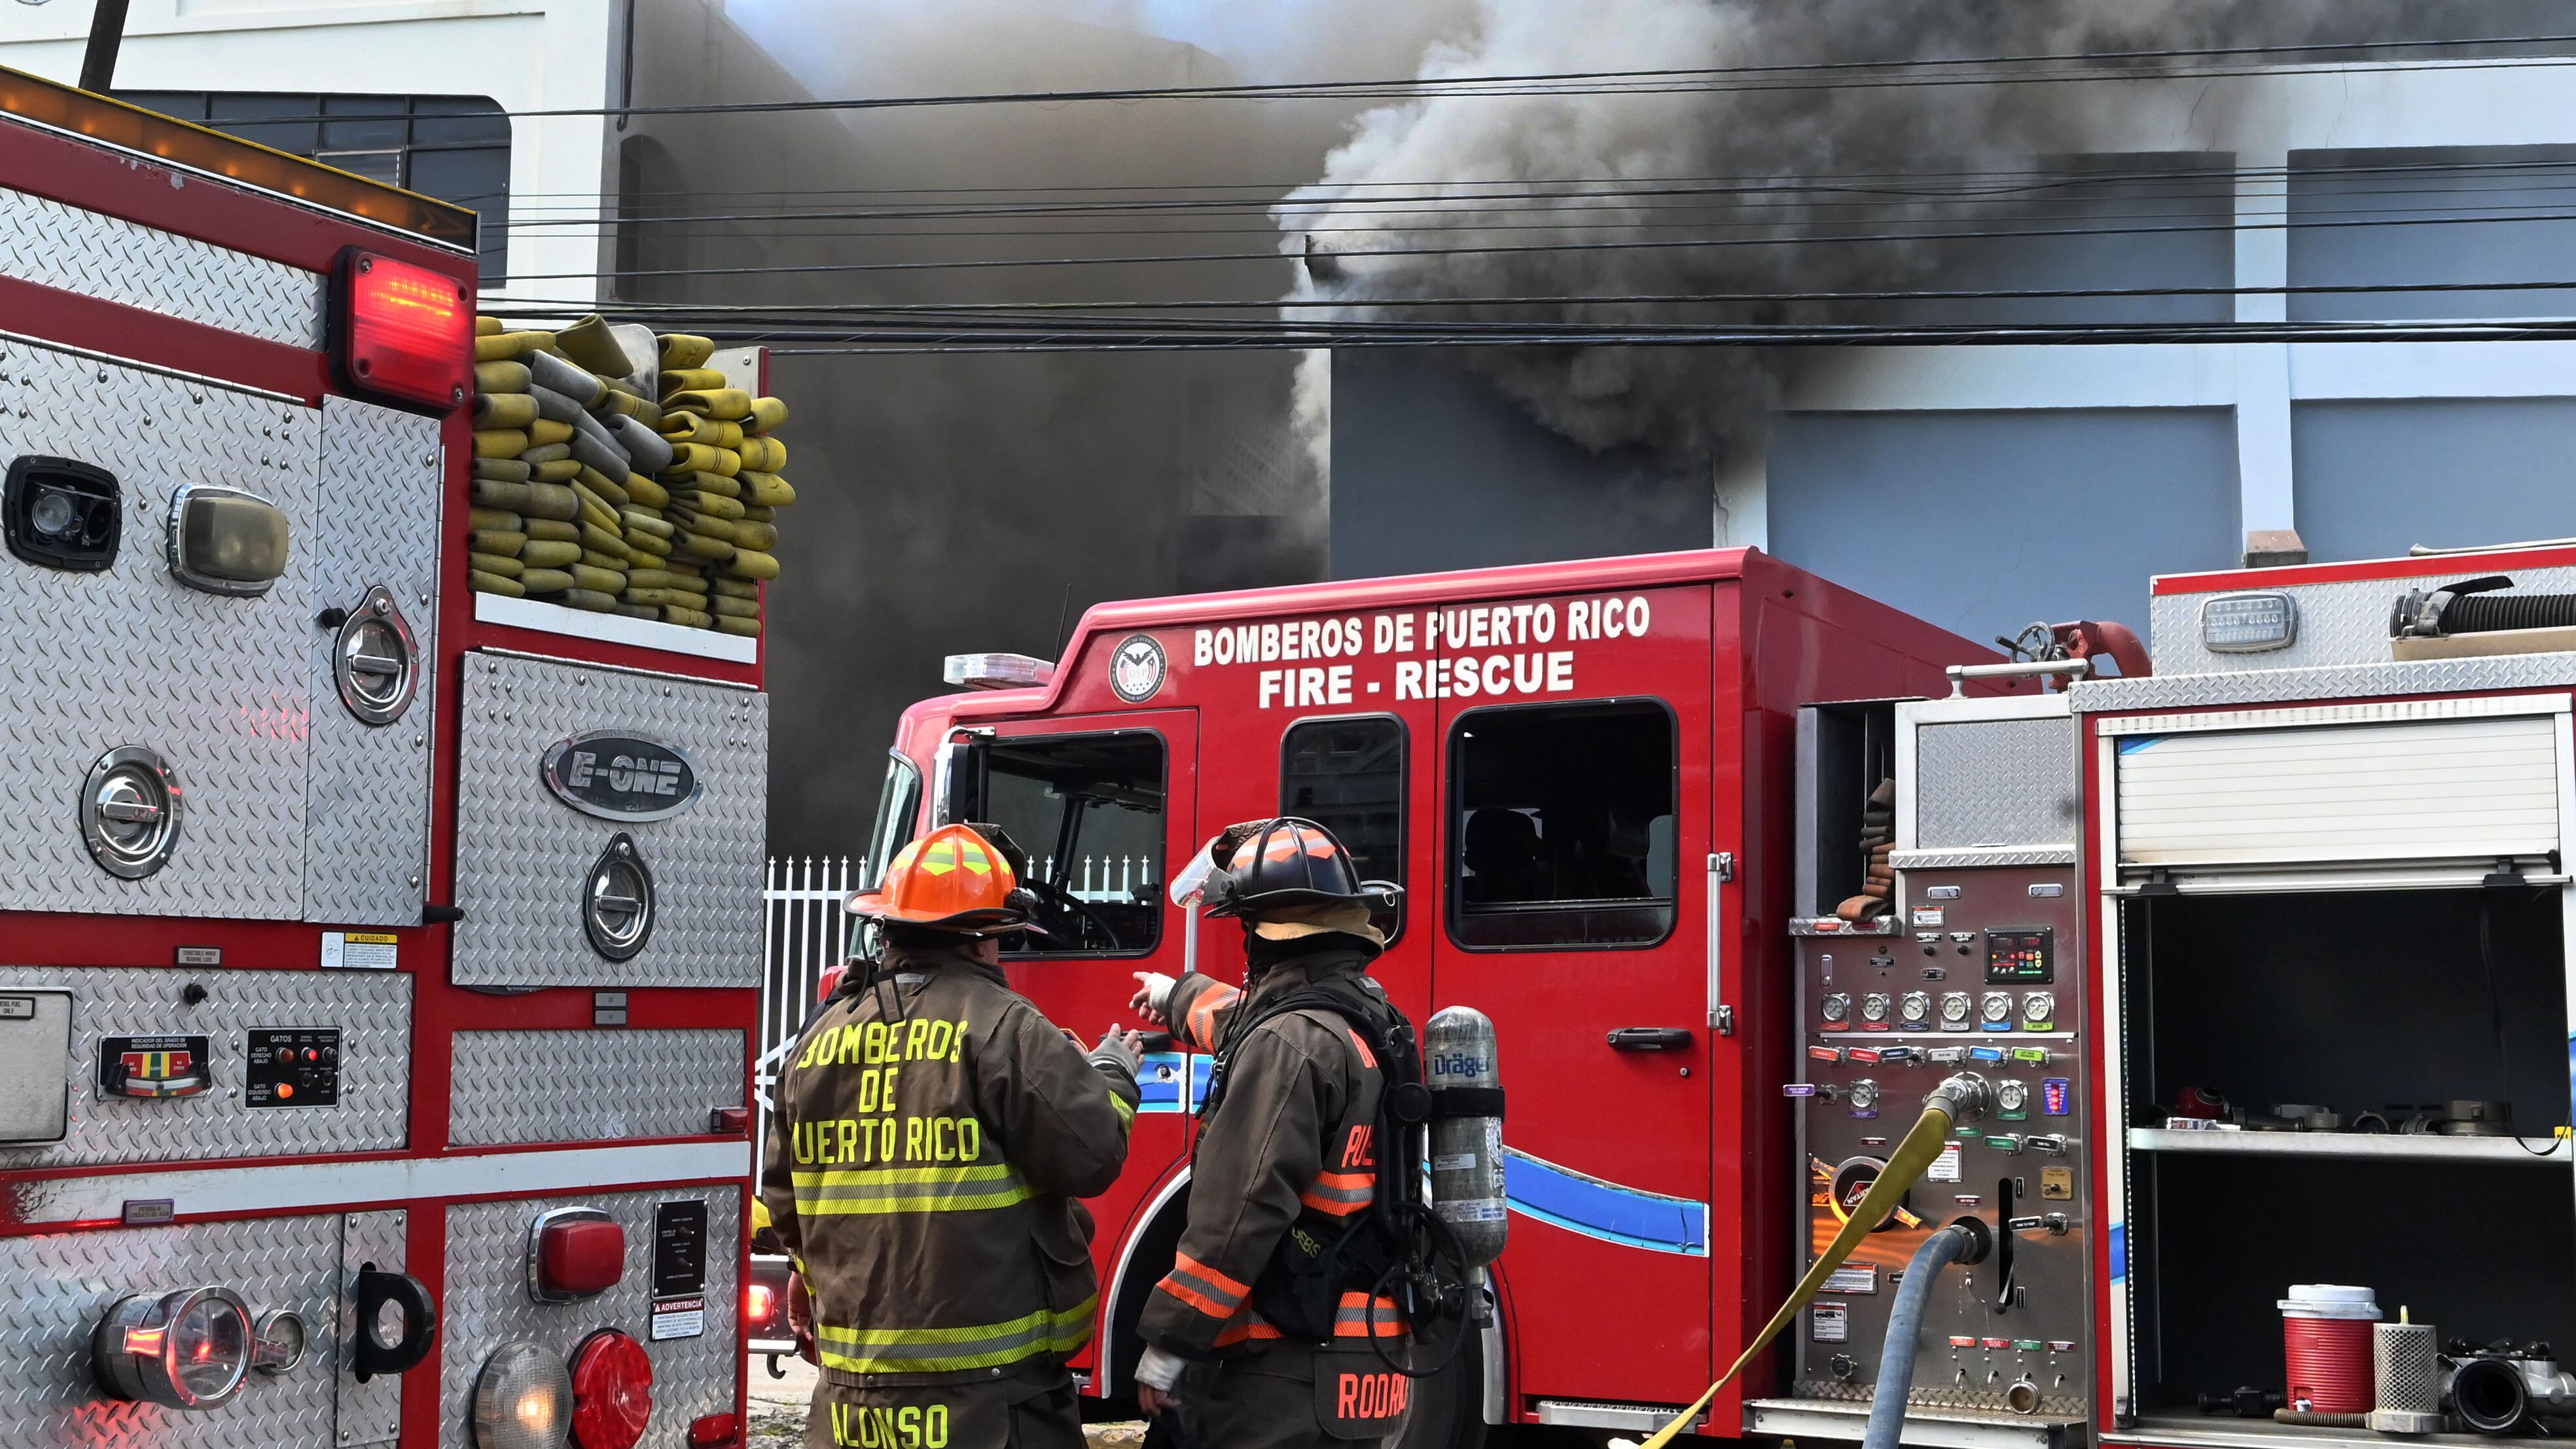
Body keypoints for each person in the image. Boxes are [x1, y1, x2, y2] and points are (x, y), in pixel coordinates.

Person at [762, 822, 1144, 1449]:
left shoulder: (818, 1040)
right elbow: (1093, 1152)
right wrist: (1112, 1073)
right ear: (983, 939)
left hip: (852, 1408)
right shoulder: (1005, 1027)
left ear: (889, 928)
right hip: (993, 1409)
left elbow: (787, 1202)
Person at [1128, 817, 1418, 1449]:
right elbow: (1249, 1019)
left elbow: (1241, 1209)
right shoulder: (1368, 1019)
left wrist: (1170, 1341)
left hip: (1282, 1370)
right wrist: (1176, 995)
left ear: (1263, 931)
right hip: (1363, 1361)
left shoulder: (1288, 1043)